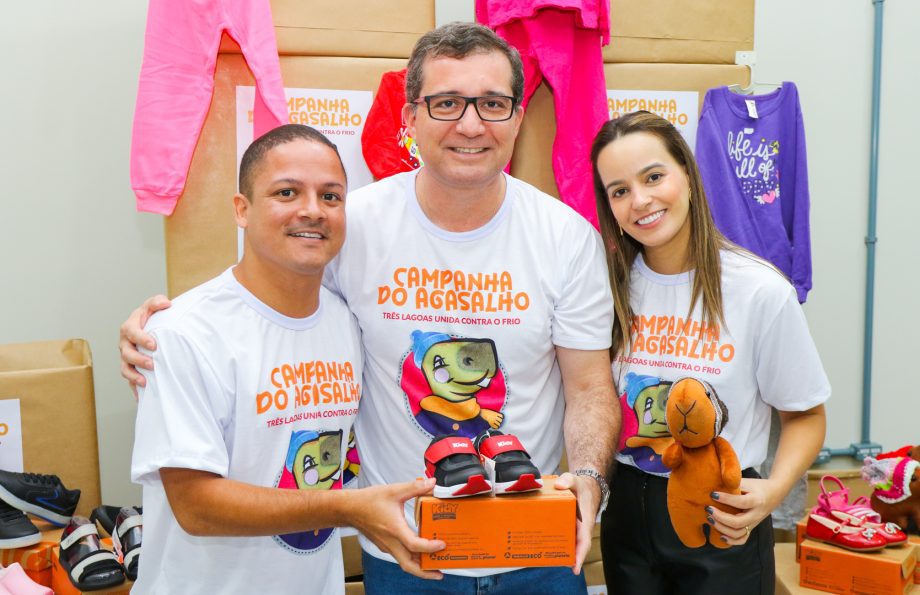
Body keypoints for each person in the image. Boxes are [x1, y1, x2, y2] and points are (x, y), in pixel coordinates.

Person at [120, 22, 619, 595]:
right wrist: (162, 331)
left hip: (536, 550)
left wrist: (588, 477)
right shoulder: (350, 224)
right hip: (405, 553)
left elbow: (589, 388)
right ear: (410, 118)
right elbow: (266, 303)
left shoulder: (565, 238)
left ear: (517, 117)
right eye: (447, 103)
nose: (470, 124)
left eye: (492, 103)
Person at [129, 124, 446, 595]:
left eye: (331, 196)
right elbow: (194, 506)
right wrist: (348, 508)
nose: (312, 210)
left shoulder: (347, 322)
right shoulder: (182, 333)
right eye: (287, 192)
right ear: (242, 209)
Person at [590, 110, 830, 594]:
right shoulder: (605, 288)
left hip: (722, 515)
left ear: (687, 172)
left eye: (653, 177)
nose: (640, 201)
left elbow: (805, 416)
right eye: (619, 191)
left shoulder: (759, 290)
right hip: (628, 516)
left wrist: (772, 491)